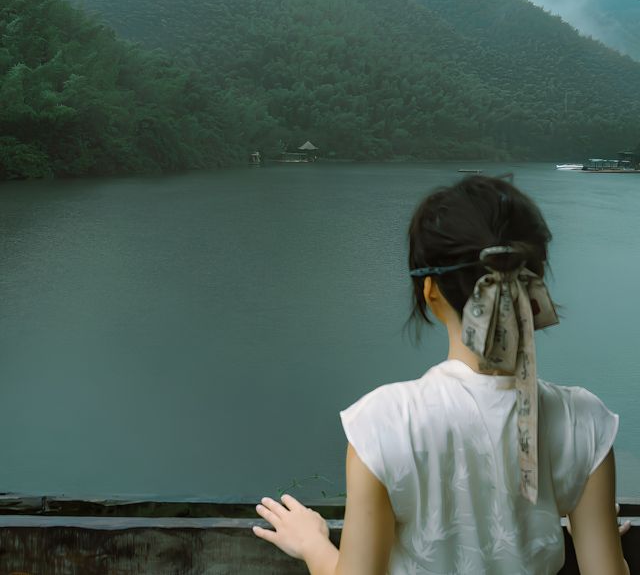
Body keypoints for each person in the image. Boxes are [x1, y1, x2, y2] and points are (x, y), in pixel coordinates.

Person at [252, 175, 630, 574]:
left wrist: (313, 544)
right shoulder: (583, 421)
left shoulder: (386, 422)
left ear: (430, 292)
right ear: (532, 286)